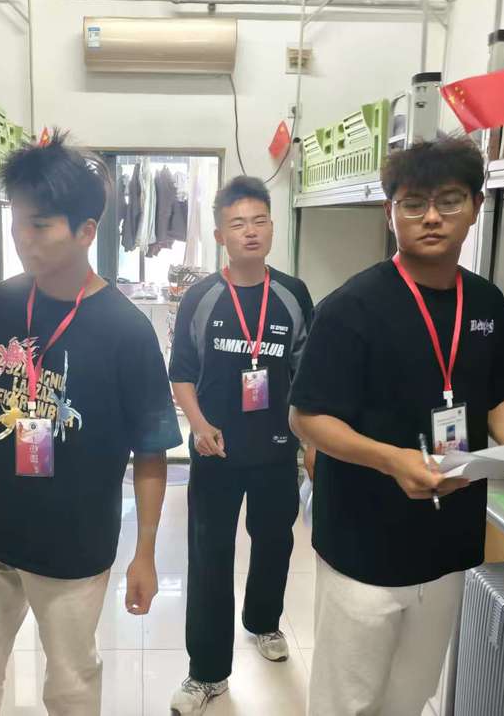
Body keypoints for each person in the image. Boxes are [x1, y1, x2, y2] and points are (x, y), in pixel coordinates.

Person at [289, 136, 504, 716]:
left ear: (476, 207)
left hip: (449, 540)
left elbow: (495, 393)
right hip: (363, 544)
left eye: (449, 200)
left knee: (412, 692)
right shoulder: (351, 307)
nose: (431, 217)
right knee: (348, 700)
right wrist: (392, 459)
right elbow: (308, 417)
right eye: (413, 203)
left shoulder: (487, 303)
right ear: (390, 212)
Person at [0, 132, 182, 716]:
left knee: (71, 684)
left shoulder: (127, 331)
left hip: (74, 546)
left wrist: (145, 552)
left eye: (40, 225)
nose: (22, 238)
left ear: (86, 231)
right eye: (17, 222)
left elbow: (150, 454)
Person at [168, 176, 315, 715]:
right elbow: (181, 373)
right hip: (216, 451)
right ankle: (206, 672)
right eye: (237, 224)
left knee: (275, 541)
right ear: (220, 235)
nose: (249, 232)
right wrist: (199, 425)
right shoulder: (202, 297)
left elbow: (306, 375)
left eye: (258, 221)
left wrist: (309, 443)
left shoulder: (293, 294)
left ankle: (264, 621)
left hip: (277, 449)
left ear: (272, 228)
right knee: (209, 555)